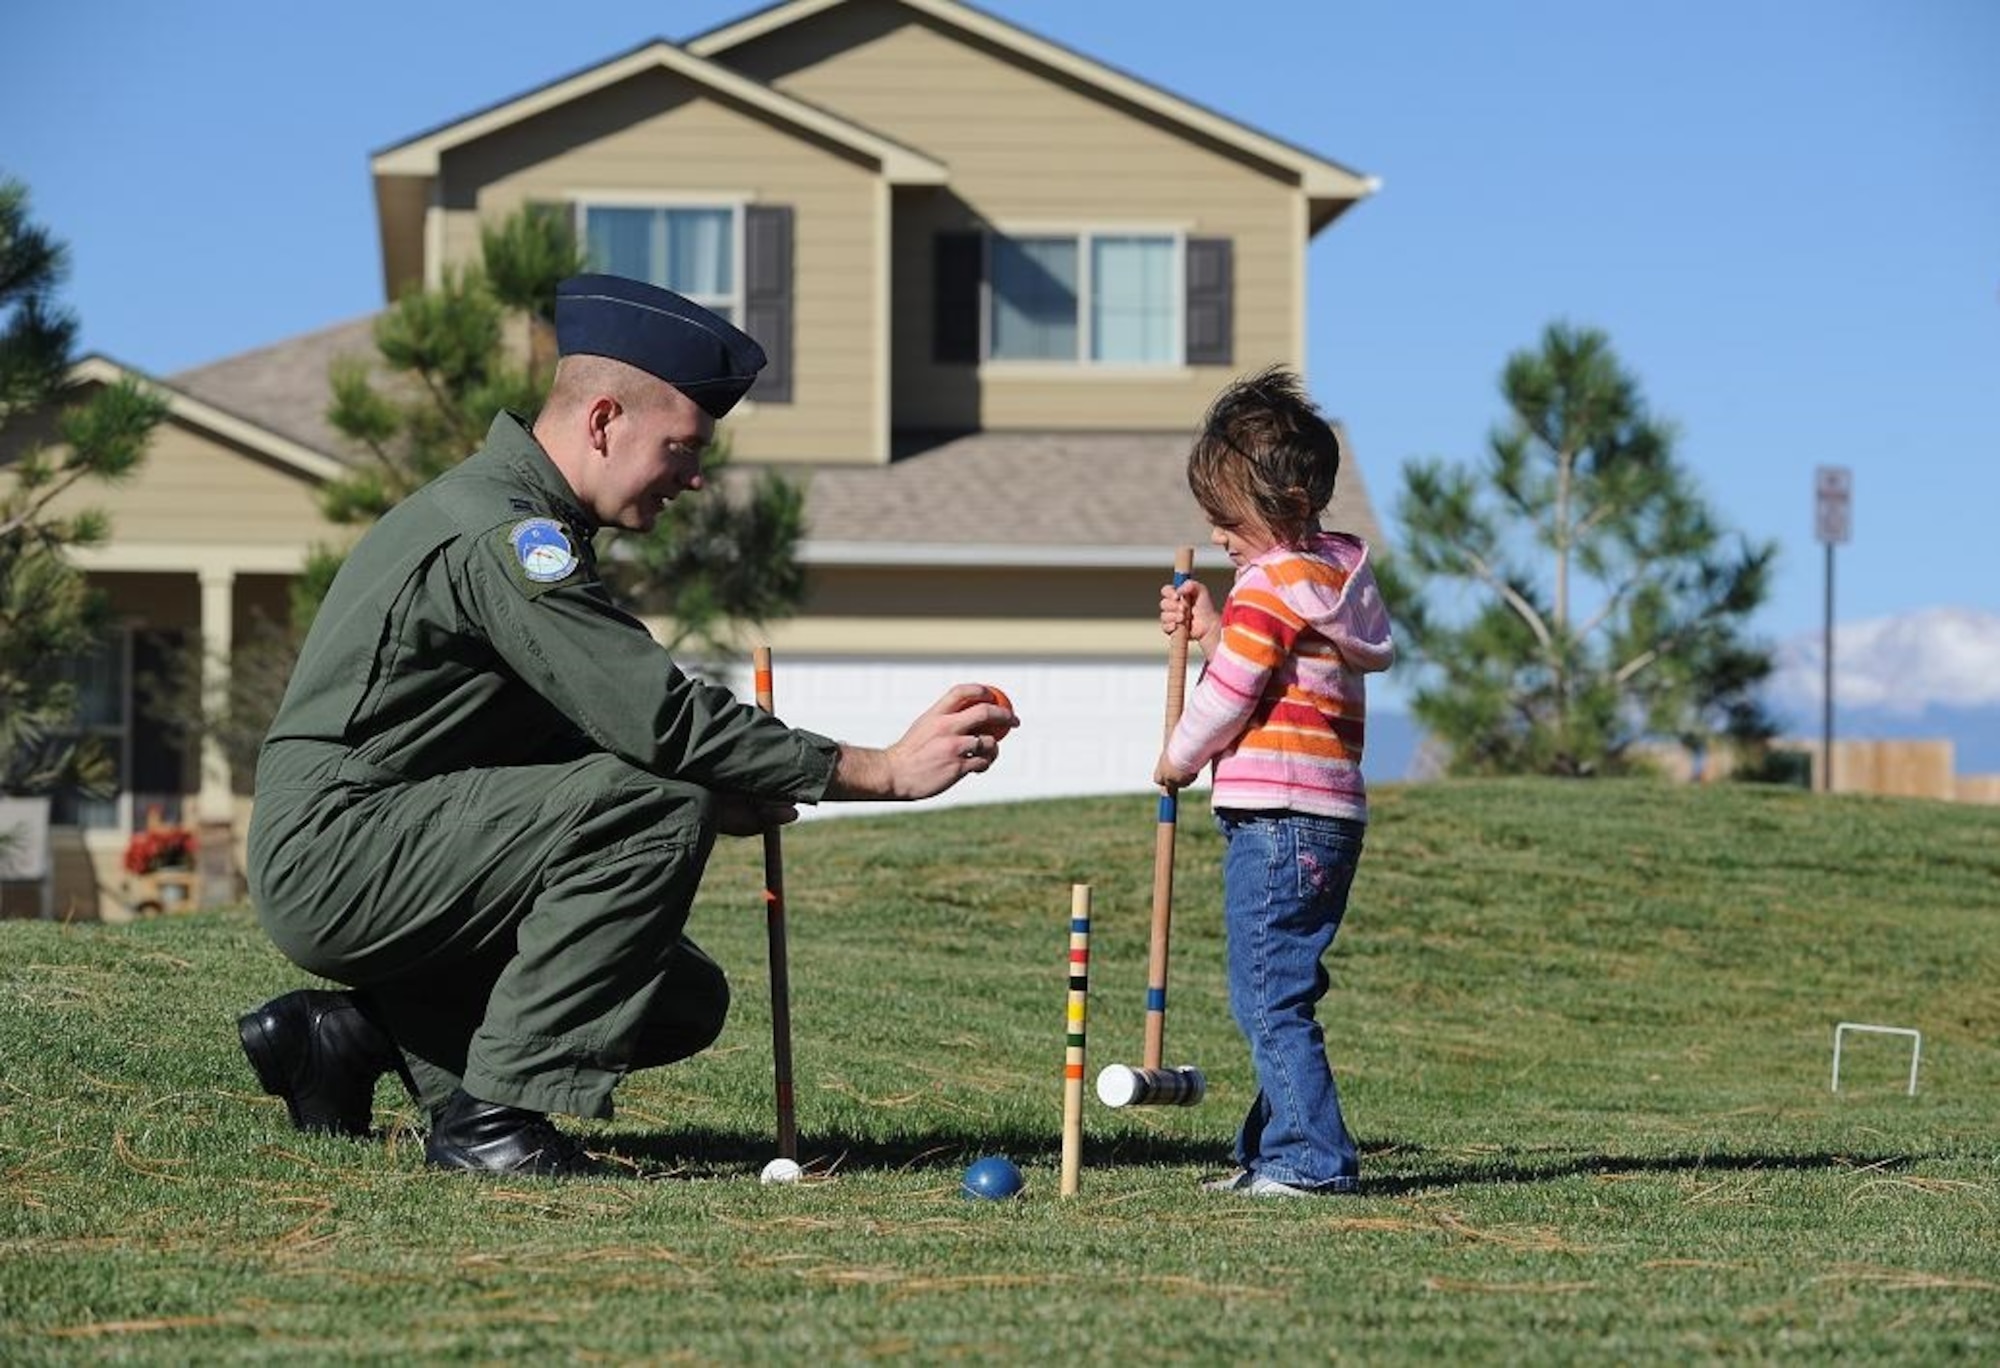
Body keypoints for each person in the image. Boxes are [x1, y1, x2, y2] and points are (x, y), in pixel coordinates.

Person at [239, 274, 1016, 1178]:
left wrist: (730, 786)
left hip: (379, 841)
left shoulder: (512, 515)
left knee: (679, 999)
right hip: (339, 854)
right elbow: (655, 717)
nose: (693, 477)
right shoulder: (508, 537)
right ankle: (489, 1126)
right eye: (681, 448)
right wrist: (879, 769)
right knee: (657, 804)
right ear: (603, 420)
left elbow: (550, 733)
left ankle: (341, 1040)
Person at [1152, 366, 1393, 1197]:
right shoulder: (1326, 579)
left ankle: (1308, 1162)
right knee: (1281, 985)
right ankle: (1269, 1150)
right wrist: (1217, 626)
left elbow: (1230, 694)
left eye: (1227, 518)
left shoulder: (1266, 587)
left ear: (1281, 508)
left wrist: (1179, 756)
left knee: (1266, 994)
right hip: (1328, 815)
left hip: (1277, 816)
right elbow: (1272, 668)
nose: (1217, 535)